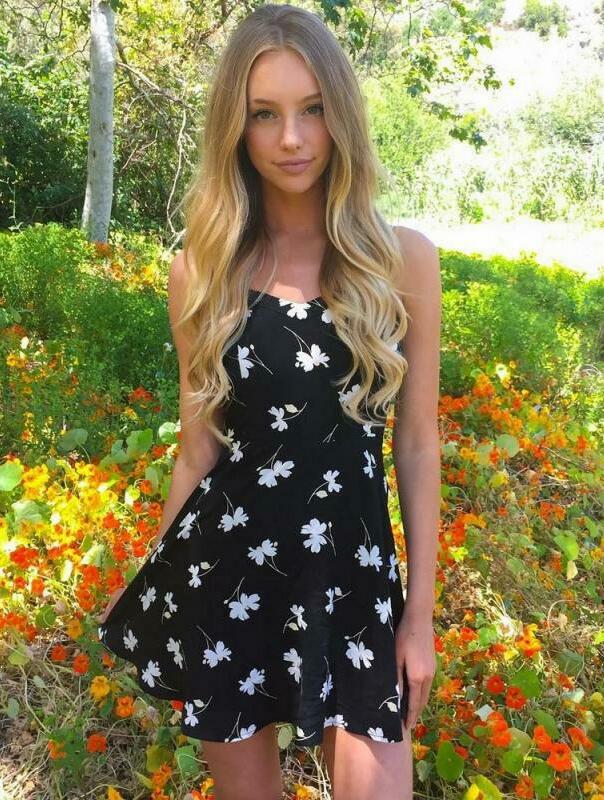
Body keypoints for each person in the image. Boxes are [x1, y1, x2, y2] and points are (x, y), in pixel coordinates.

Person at [98, 4, 441, 799]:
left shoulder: (401, 261)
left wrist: (418, 617)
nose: (292, 137)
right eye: (265, 114)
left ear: (341, 115)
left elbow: (418, 444)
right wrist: (158, 573)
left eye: (312, 108)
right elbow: (199, 449)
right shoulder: (203, 270)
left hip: (354, 583)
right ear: (237, 128)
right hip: (228, 578)